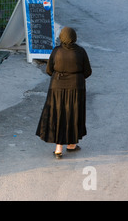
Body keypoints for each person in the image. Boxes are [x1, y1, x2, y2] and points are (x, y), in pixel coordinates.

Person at [35, 27, 92, 159]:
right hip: (76, 87)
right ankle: (72, 144)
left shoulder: (57, 51)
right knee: (73, 114)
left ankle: (58, 148)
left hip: (57, 88)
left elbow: (49, 70)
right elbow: (88, 71)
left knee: (58, 115)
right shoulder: (81, 51)